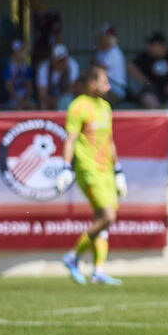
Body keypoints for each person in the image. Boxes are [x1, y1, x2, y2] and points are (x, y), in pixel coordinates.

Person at [56, 64, 126, 286]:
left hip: (106, 171)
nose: (109, 86)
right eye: (105, 81)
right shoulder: (78, 106)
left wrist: (118, 170)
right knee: (108, 217)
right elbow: (70, 139)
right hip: (88, 169)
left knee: (101, 220)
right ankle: (73, 256)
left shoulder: (105, 107)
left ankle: (98, 271)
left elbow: (110, 140)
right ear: (92, 84)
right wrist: (66, 167)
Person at [129, 31, 168, 108]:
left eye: (152, 45)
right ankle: (159, 115)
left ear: (162, 45)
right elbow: (130, 66)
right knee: (147, 98)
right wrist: (145, 81)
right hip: (155, 92)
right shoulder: (146, 57)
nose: (149, 47)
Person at [36, 43, 80, 110]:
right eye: (60, 60)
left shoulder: (73, 65)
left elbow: (73, 89)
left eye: (64, 59)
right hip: (49, 99)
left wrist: (59, 100)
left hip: (64, 98)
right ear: (52, 60)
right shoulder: (44, 68)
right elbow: (42, 94)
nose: (63, 62)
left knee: (67, 101)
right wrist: (53, 101)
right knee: (43, 103)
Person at [92, 23, 127, 104]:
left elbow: (98, 70)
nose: (99, 39)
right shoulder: (101, 52)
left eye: (102, 37)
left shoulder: (114, 52)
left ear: (109, 38)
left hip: (115, 91)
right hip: (105, 89)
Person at [29, 0, 63, 67]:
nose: (30, 1)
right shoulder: (35, 15)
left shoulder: (53, 15)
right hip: (37, 54)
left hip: (48, 54)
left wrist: (54, 55)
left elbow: (58, 36)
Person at [2, 39, 34, 110]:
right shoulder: (8, 68)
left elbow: (29, 86)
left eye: (24, 50)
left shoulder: (27, 68)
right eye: (21, 51)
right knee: (18, 108)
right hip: (12, 99)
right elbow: (9, 88)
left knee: (32, 106)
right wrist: (19, 100)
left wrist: (26, 99)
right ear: (14, 54)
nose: (24, 52)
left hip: (25, 97)